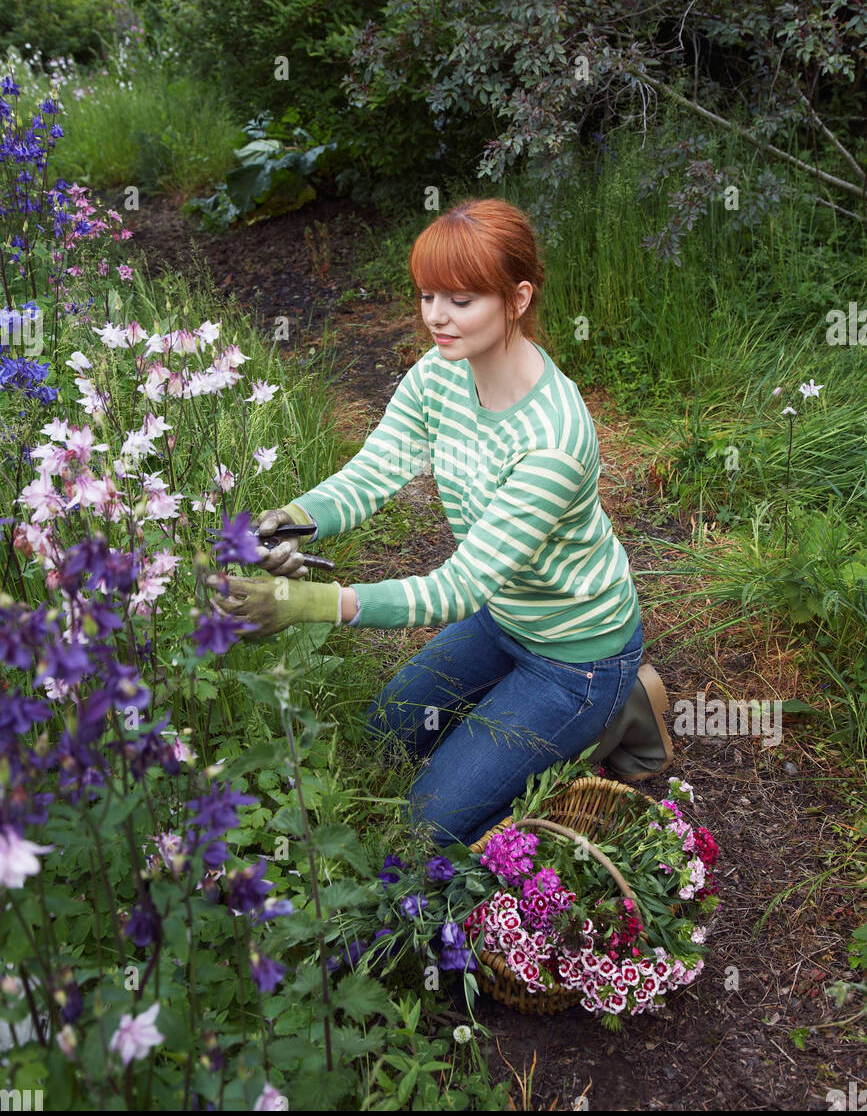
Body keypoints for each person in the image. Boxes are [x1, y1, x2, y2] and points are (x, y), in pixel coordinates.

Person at [206, 198, 673, 848]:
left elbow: (455, 590)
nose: (435, 317)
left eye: (460, 299)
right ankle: (549, 721)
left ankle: (610, 718)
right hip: (502, 617)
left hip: (575, 656)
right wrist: (292, 521)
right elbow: (374, 473)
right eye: (427, 295)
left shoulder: (553, 439)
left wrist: (305, 603)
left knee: (423, 831)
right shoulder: (439, 374)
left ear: (516, 299)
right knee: (381, 743)